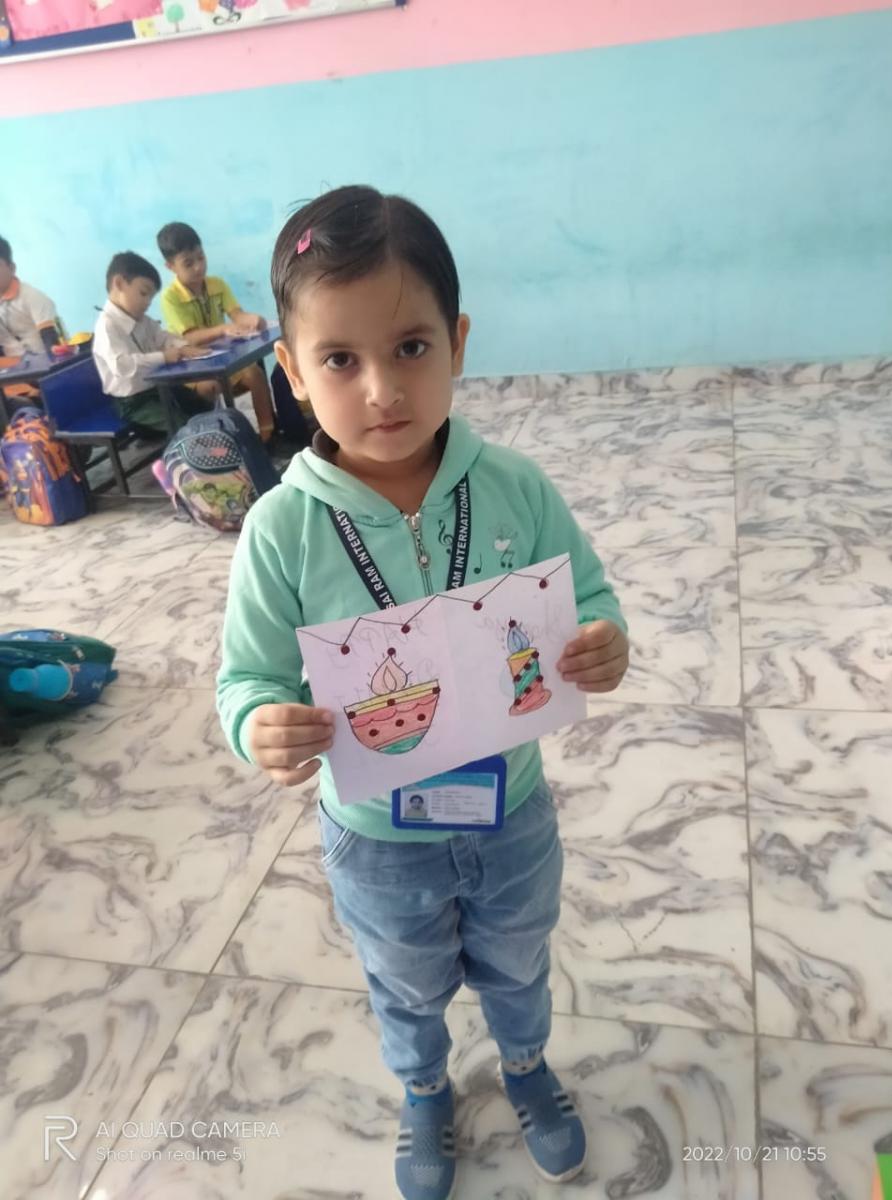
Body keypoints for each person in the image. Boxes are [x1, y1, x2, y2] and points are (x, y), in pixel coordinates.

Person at [215, 185, 629, 1200]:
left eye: (410, 347)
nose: (381, 390)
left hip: (511, 811)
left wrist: (601, 643)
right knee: (403, 982)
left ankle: (525, 1067)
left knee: (519, 960)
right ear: (291, 372)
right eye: (339, 360)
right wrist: (258, 725)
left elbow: (588, 596)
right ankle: (425, 1089)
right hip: (377, 838)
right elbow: (248, 677)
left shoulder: (517, 489)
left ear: (458, 342)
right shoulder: (281, 530)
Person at [157, 222, 276, 442]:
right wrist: (224, 329)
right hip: (192, 369)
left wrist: (252, 320)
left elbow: (237, 315)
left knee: (255, 375)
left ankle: (267, 436)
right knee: (212, 388)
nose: (198, 267)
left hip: (222, 361)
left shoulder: (217, 284)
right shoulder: (170, 298)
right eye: (188, 263)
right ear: (170, 266)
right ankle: (225, 441)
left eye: (201, 257)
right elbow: (190, 337)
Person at [93, 251, 215, 434]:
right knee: (184, 427)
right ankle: (193, 449)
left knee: (201, 405)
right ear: (118, 283)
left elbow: (163, 337)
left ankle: (219, 444)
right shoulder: (106, 326)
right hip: (134, 403)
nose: (147, 302)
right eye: (143, 293)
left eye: (151, 297)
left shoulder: (142, 320)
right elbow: (122, 365)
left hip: (158, 389)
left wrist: (184, 348)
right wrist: (163, 357)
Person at [0, 235, 65, 401]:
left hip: (40, 372)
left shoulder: (33, 297)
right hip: (10, 376)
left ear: (12, 268)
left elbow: (52, 344)